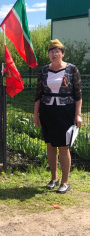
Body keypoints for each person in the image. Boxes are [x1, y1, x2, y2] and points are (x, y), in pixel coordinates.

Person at [34, 39, 82, 194]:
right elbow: (39, 94)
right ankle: (53, 178)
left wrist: (78, 114)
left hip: (65, 111)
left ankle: (65, 181)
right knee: (50, 145)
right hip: (47, 111)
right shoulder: (43, 71)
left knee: (63, 146)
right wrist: (36, 114)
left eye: (57, 51)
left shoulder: (72, 69)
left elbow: (78, 94)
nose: (53, 54)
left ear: (62, 53)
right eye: (51, 51)